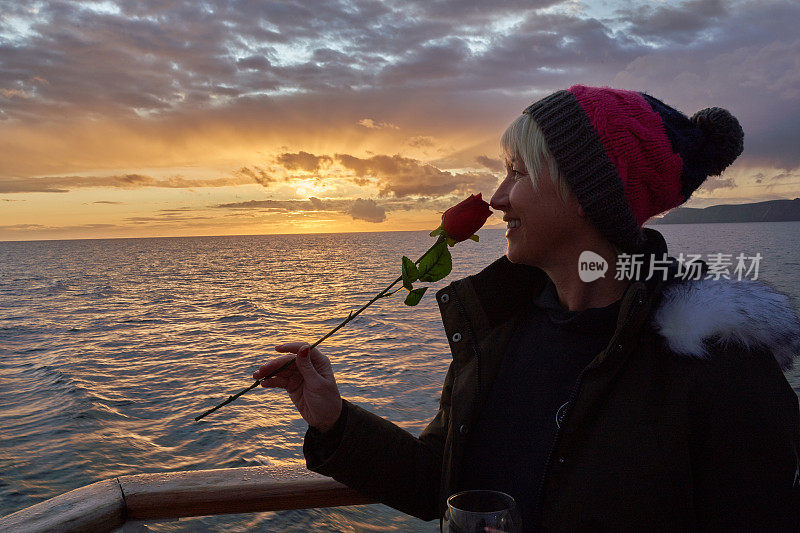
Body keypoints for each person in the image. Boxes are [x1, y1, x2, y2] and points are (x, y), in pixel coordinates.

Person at [254, 85, 800, 530]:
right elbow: (439, 486)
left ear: (587, 191)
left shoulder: (719, 363)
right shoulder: (500, 328)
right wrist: (333, 420)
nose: (497, 196)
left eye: (518, 171)